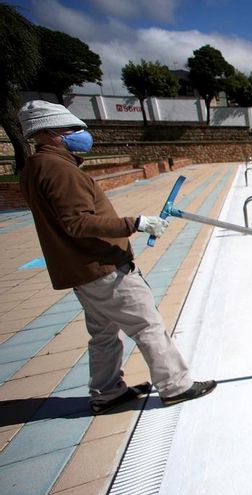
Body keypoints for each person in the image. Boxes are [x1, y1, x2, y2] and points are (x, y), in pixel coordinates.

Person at [18, 100, 216, 415]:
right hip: (102, 267)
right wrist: (135, 223)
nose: (80, 134)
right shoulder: (57, 169)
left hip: (81, 270)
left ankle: (107, 392)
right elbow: (77, 223)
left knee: (103, 334)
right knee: (147, 324)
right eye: (71, 129)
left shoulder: (36, 167)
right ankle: (176, 386)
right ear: (49, 132)